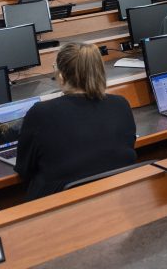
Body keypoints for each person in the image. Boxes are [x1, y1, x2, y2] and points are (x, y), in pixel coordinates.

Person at [15, 43, 136, 200]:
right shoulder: (121, 104)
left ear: (62, 76)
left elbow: (24, 169)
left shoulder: (41, 113)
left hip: (58, 207)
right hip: (115, 198)